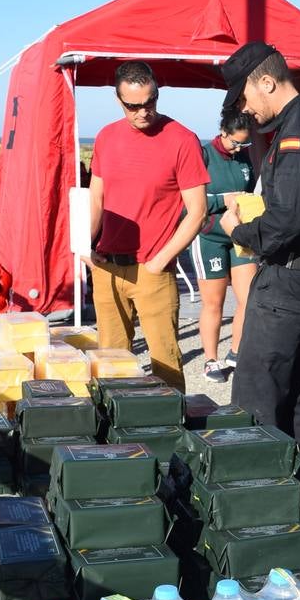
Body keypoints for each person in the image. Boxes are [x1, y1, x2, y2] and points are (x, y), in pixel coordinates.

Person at [219, 42, 300, 443]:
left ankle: (257, 497)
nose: (244, 110)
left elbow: (287, 219)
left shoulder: (298, 131)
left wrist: (239, 232)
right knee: (295, 396)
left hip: (288, 279)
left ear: (266, 82)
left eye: (245, 97)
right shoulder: (299, 124)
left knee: (255, 402)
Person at [88, 61, 209, 391]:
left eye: (150, 102)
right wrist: (84, 246)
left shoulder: (182, 139)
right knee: (110, 363)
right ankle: (114, 436)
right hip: (107, 267)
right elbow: (96, 199)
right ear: (118, 100)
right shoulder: (106, 137)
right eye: (134, 106)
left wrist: (159, 261)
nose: (144, 112)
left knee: (165, 365)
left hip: (153, 271)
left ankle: (172, 436)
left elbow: (197, 211)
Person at [192, 109, 257, 383]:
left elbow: (252, 190)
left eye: (245, 144)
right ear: (223, 133)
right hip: (209, 236)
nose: (239, 148)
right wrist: (224, 199)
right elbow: (190, 202)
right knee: (213, 302)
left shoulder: (244, 158)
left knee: (248, 298)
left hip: (240, 236)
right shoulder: (204, 155)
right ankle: (210, 359)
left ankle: (235, 353)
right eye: (235, 143)